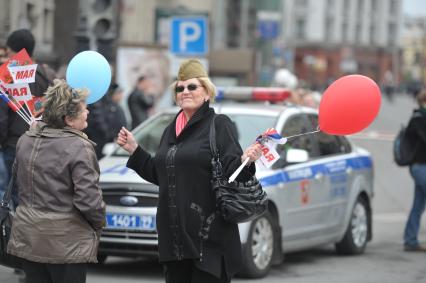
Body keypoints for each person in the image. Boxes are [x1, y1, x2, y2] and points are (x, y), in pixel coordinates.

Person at [117, 59, 262, 282]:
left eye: (192, 86)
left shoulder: (219, 124)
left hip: (209, 239)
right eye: (180, 88)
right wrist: (135, 150)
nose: (185, 91)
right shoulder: (170, 130)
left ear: (206, 92)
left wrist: (246, 160)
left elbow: (234, 174)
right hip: (174, 240)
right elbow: (161, 175)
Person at [7, 79, 106, 283]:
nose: (88, 112)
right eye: (84, 109)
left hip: (29, 238)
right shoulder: (80, 146)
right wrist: (98, 225)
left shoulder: (25, 140)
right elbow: (89, 201)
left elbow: (18, 183)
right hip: (66, 245)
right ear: (68, 119)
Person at [0, 29, 52, 200]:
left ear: (13, 50)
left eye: (7, 51)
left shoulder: (7, 76)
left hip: (13, 145)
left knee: (10, 193)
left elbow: (2, 116)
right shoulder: (44, 76)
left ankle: (12, 226)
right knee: (30, 194)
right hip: (38, 144)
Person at [403, 90, 426, 252]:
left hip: (422, 166)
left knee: (418, 204)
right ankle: (410, 240)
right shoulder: (418, 119)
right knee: (418, 204)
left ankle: (410, 240)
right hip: (419, 166)